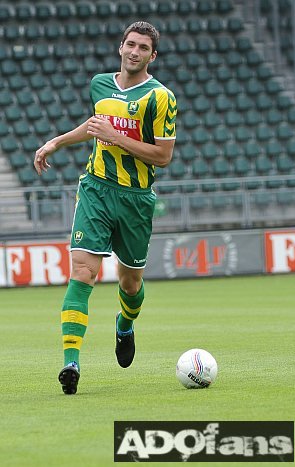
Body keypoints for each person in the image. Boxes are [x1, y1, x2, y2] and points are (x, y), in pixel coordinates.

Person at [34, 21, 177, 395]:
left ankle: (125, 325)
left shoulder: (160, 97)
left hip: (136, 198)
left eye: (142, 48)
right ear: (120, 47)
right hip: (96, 188)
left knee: (131, 284)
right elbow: (95, 125)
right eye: (130, 44)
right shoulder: (100, 84)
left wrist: (118, 139)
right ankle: (71, 362)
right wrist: (57, 142)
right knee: (83, 272)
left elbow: (163, 156)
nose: (134, 52)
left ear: (152, 56)